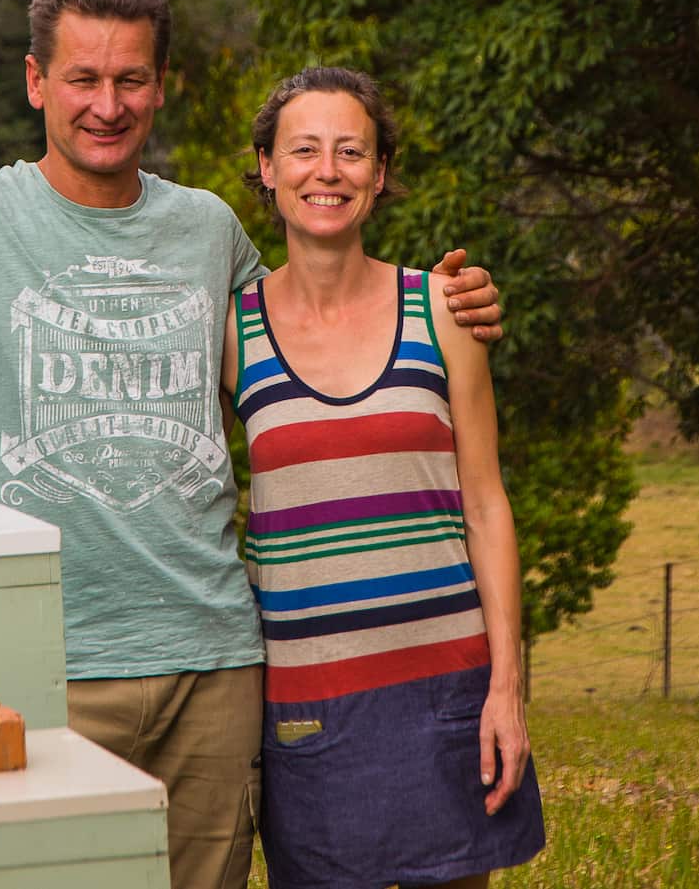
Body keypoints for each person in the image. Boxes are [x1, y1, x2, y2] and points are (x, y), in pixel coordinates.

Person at [0, 0, 504, 889]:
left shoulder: (207, 228)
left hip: (216, 664)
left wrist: (444, 305)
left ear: (159, 86)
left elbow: (311, 337)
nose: (108, 104)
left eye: (131, 79)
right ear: (35, 81)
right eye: (83, 79)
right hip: (45, 662)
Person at [222, 66, 543, 889]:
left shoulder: (444, 310)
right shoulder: (231, 332)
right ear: (266, 167)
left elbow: (486, 504)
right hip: (309, 705)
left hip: (447, 695)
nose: (327, 171)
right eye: (303, 150)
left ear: (380, 171)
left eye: (351, 151)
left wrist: (506, 687)